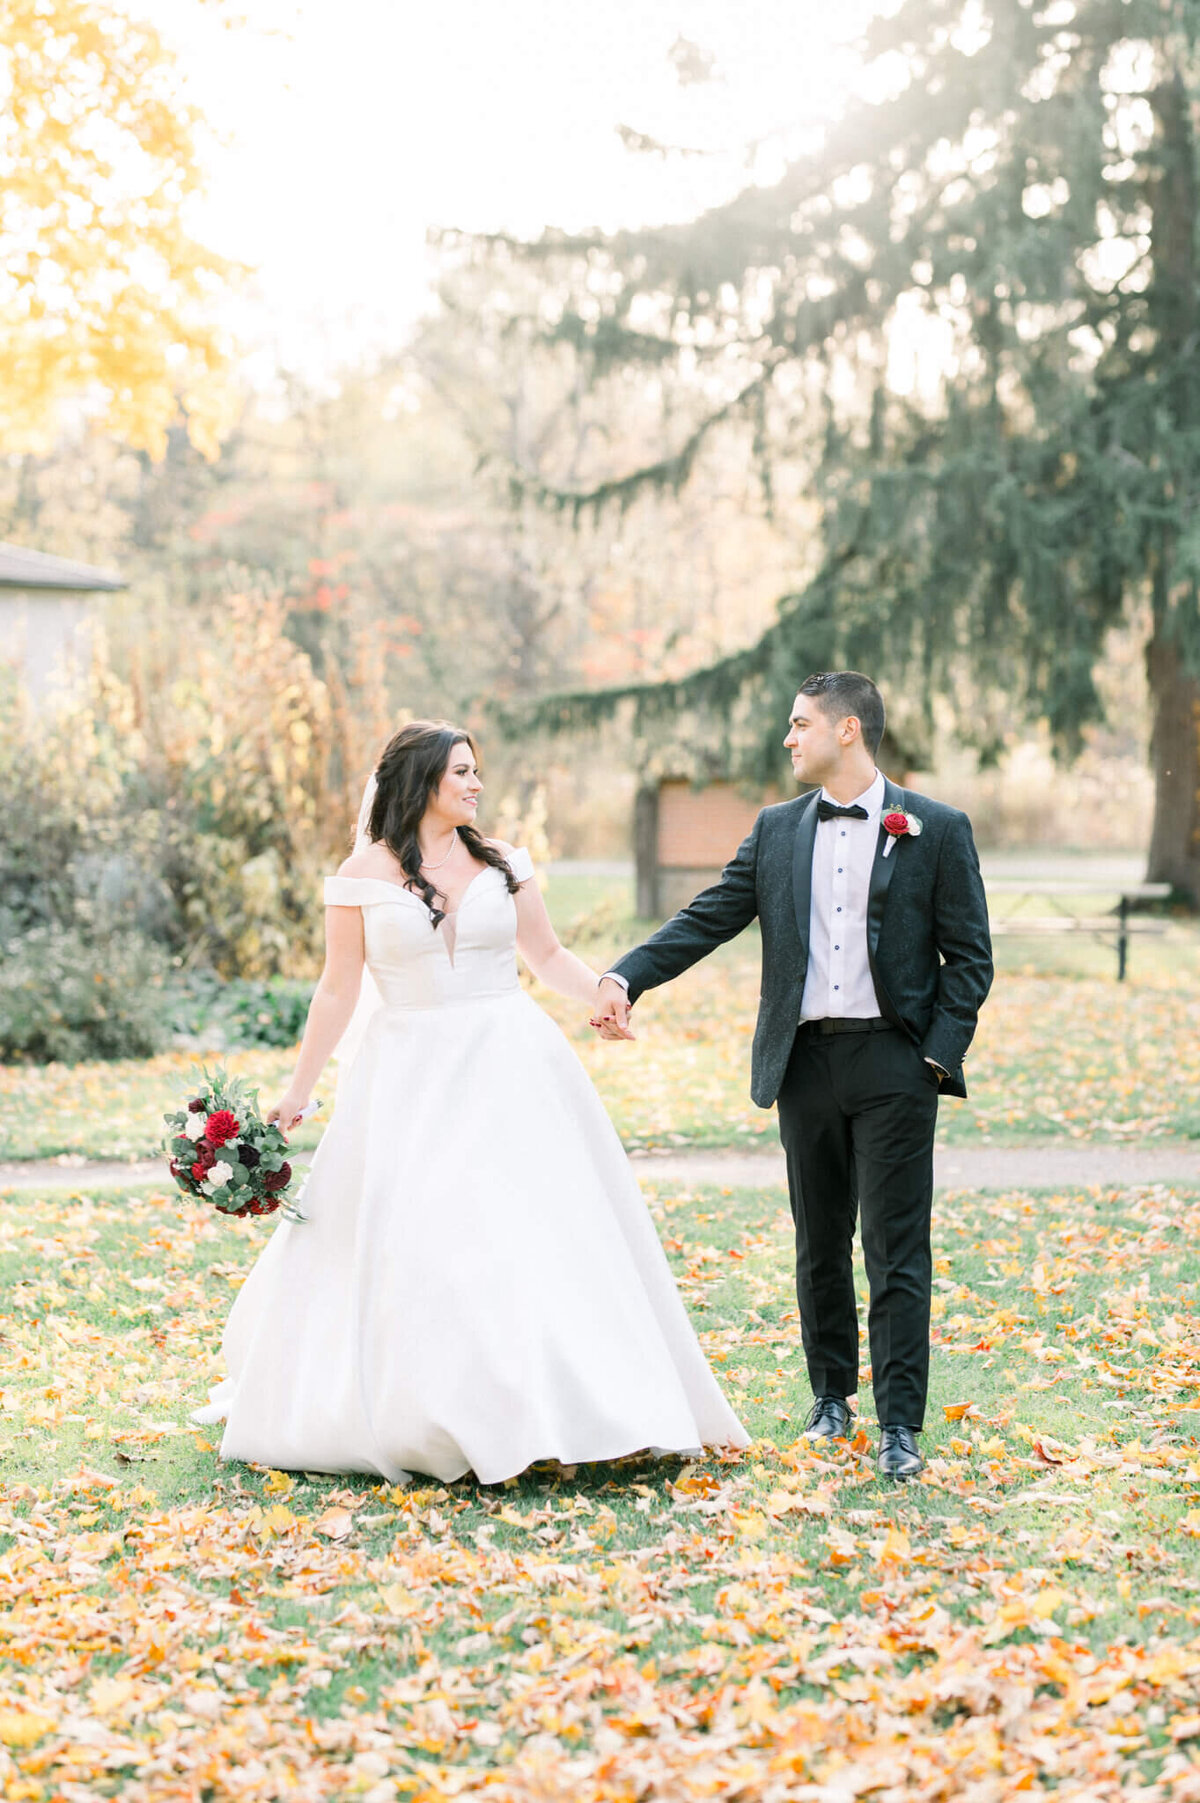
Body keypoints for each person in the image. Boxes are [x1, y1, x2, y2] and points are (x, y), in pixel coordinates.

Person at [193, 720, 748, 1483]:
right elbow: (338, 986)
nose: (475, 784)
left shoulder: (504, 863)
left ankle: (559, 1407)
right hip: (407, 1076)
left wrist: (605, 994)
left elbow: (545, 955)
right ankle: (432, 1413)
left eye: (476, 771)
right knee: (428, 1238)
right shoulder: (361, 873)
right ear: (422, 781)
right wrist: (299, 1088)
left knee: (526, 1230)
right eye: (461, 771)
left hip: (510, 1063)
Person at [593, 673, 993, 1480]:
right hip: (803, 1062)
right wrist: (626, 976)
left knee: (896, 1249)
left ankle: (900, 1426)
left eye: (800, 723)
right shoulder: (776, 831)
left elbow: (971, 958)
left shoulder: (937, 828)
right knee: (819, 1243)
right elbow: (710, 914)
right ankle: (831, 1398)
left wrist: (935, 1056)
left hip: (895, 1061)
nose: (789, 737)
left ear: (848, 730)